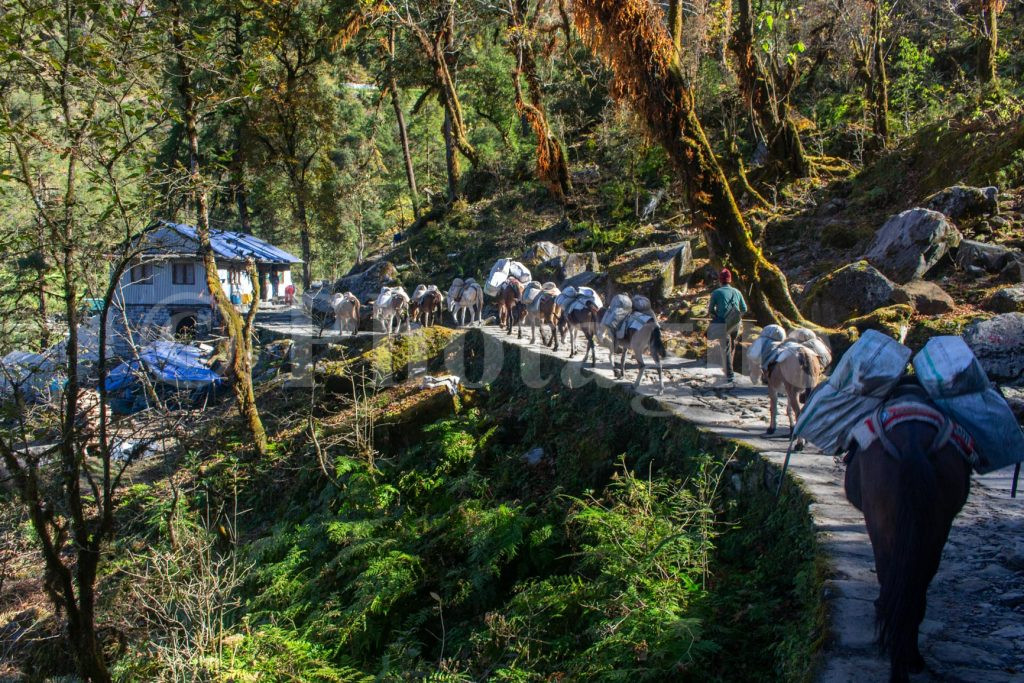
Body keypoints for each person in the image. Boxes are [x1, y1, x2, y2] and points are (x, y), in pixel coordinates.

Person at [708, 267, 747, 382]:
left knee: (725, 347)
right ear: (730, 280)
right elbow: (744, 309)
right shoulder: (737, 292)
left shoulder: (716, 293)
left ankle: (729, 374)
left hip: (722, 323)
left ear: (720, 280)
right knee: (732, 346)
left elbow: (710, 310)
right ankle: (728, 370)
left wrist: (716, 317)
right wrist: (735, 318)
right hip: (735, 323)